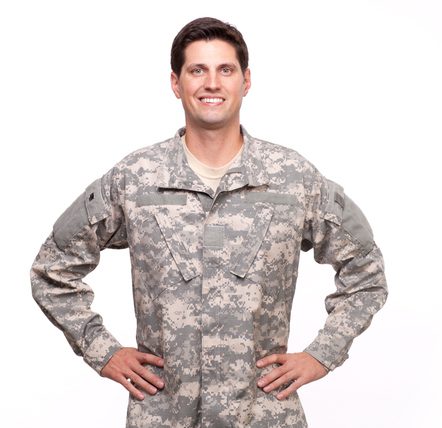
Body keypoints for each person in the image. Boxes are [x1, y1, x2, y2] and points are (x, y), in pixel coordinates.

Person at [31, 17, 387, 427]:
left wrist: (323, 353)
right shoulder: (135, 178)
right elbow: (52, 269)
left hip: (262, 416)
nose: (212, 83)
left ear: (246, 81)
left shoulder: (293, 179)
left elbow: (366, 271)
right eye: (197, 70)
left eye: (225, 70)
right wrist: (102, 349)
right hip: (164, 415)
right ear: (175, 83)